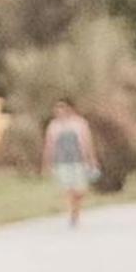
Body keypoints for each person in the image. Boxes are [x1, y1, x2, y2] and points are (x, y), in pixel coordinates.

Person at [40, 96, 100, 227]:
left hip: (79, 160)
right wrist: (47, 162)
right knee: (68, 188)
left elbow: (87, 142)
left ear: (69, 109)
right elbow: (49, 145)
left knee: (80, 190)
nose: (59, 111)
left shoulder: (80, 123)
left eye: (62, 108)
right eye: (57, 109)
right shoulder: (53, 126)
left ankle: (76, 208)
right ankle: (73, 213)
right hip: (61, 161)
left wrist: (92, 159)